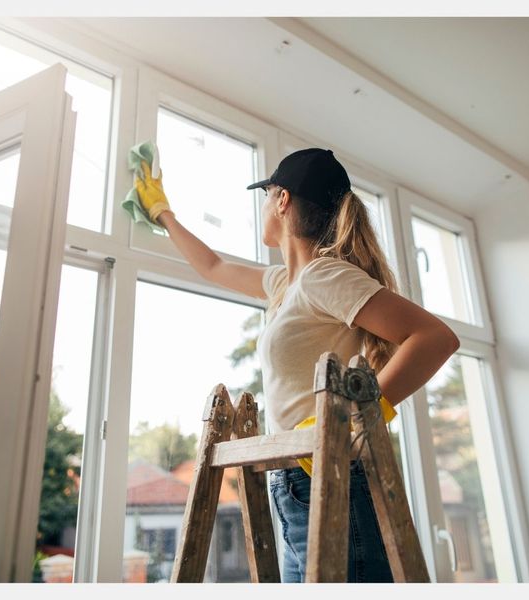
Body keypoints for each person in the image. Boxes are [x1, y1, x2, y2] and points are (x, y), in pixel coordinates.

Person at [134, 147, 460, 583]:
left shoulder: (325, 276)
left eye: (266, 195)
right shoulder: (285, 283)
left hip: (333, 479)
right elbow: (212, 266)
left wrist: (357, 417)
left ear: (282, 199)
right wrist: (162, 213)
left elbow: (435, 339)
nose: (264, 206)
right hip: (294, 484)